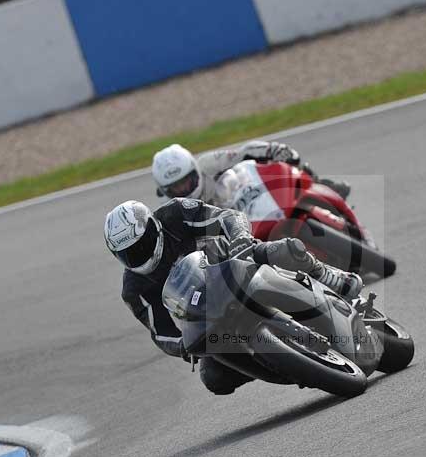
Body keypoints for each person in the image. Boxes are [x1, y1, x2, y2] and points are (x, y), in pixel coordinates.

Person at [104, 198, 363, 395]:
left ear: (152, 227)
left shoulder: (175, 213)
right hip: (208, 313)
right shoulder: (134, 290)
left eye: (141, 243)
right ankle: (287, 366)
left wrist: (239, 237)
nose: (138, 254)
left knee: (282, 250)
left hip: (235, 264)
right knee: (214, 378)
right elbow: (160, 332)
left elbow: (227, 216)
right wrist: (182, 345)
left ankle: (326, 274)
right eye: (128, 253)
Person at [151, 141, 351, 205]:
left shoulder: (208, 164)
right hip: (228, 239)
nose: (184, 189)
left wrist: (273, 150)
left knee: (286, 169)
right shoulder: (170, 209)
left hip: (247, 201)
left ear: (195, 170)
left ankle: (320, 186)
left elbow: (244, 153)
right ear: (165, 191)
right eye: (176, 187)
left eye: (186, 181)